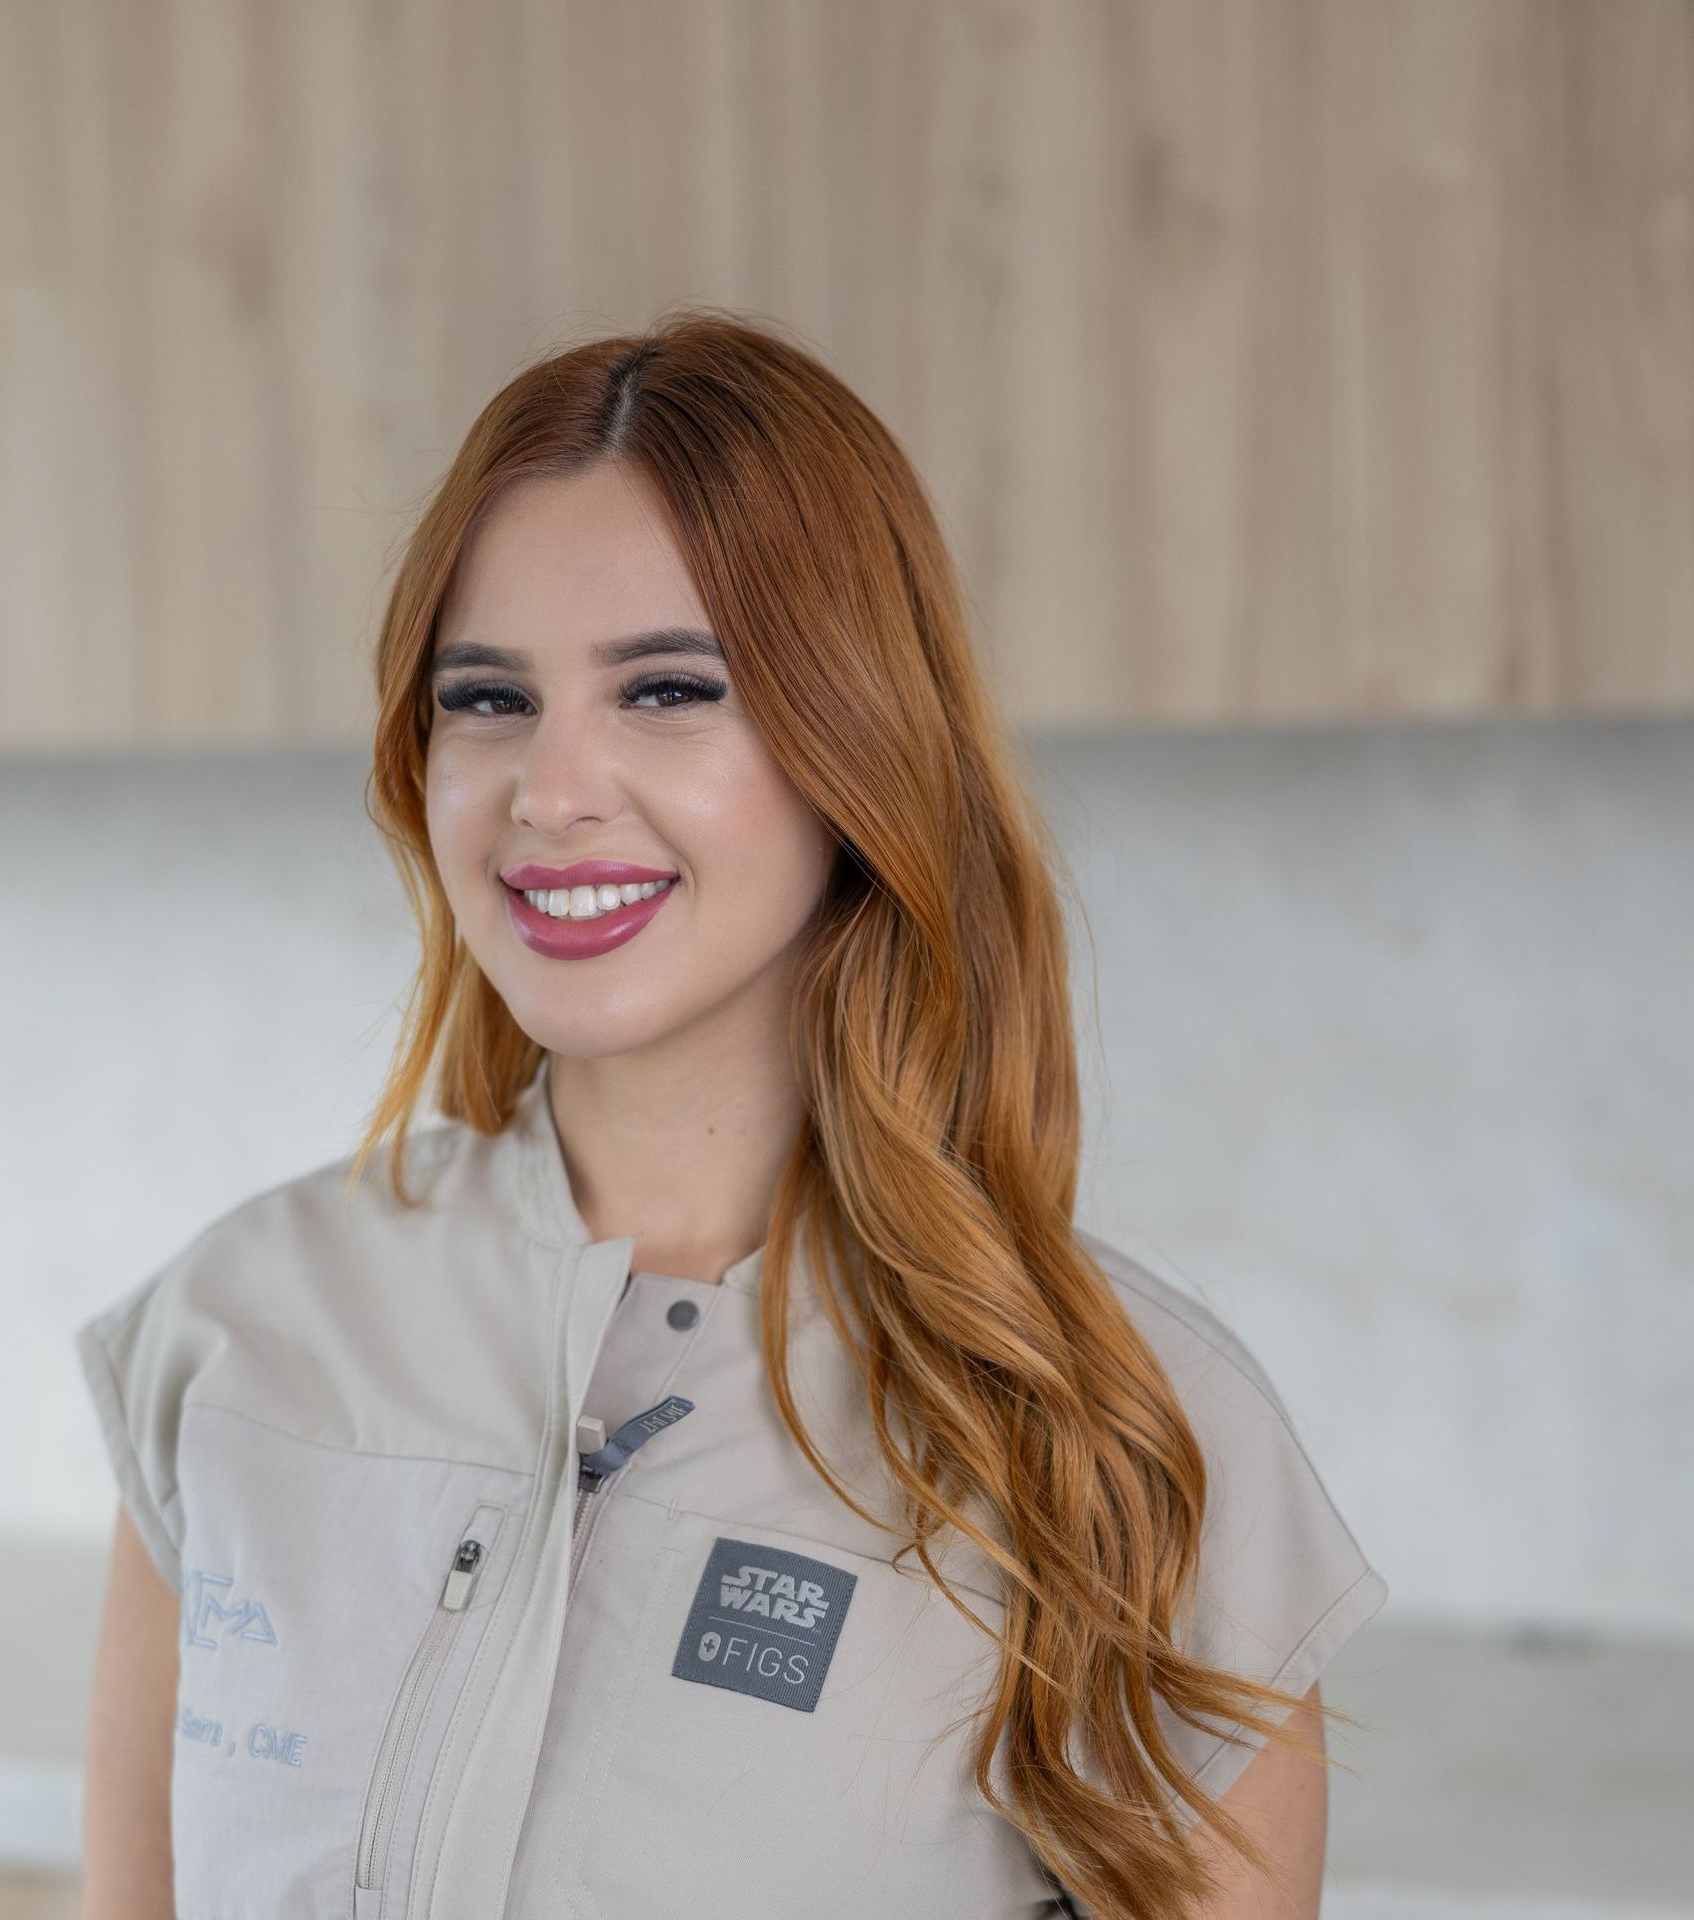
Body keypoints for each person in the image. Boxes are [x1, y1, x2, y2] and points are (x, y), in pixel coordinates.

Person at [76, 309, 1387, 1920]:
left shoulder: (1123, 1447)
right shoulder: (237, 1328)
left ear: (857, 743)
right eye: (485, 699)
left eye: (669, 689)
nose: (550, 790)